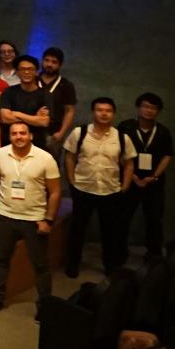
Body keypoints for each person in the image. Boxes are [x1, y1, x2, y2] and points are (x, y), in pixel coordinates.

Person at [0, 122, 62, 313]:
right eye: (14, 134)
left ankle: (45, 305)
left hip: (34, 219)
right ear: (9, 136)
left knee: (40, 265)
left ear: (31, 136)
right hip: (5, 215)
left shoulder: (45, 158)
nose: (19, 137)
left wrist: (49, 220)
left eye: (23, 133)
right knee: (0, 260)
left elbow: (55, 192)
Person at [62, 97, 136, 276]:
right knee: (77, 230)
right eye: (99, 110)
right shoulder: (79, 133)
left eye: (108, 110)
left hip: (110, 191)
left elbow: (129, 164)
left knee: (110, 232)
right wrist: (72, 181)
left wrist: (124, 186)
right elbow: (69, 157)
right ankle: (73, 265)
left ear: (113, 114)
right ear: (93, 112)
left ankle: (110, 266)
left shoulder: (122, 137)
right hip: (83, 189)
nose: (104, 113)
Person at [120, 92, 173, 260]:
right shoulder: (125, 127)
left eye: (153, 108)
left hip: (154, 183)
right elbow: (118, 153)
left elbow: (167, 155)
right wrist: (133, 176)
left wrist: (154, 176)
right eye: (145, 106)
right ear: (138, 108)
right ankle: (119, 253)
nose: (149, 110)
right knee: (123, 217)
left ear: (158, 111)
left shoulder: (163, 131)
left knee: (154, 219)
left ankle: (154, 255)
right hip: (129, 179)